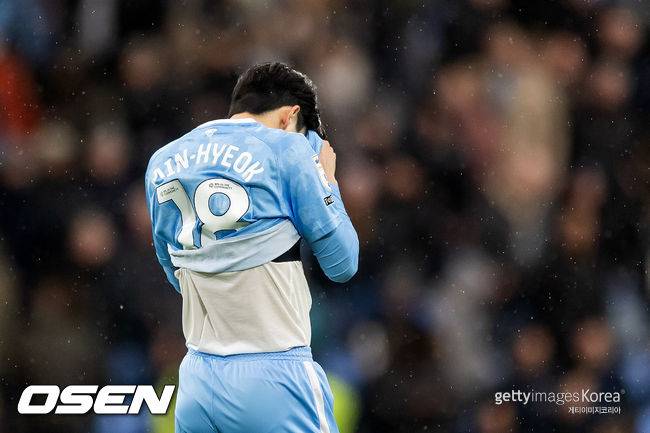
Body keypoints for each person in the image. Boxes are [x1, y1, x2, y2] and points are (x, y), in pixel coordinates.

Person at [144, 62, 359, 433]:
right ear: (291, 116)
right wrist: (327, 180)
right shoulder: (288, 149)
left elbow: (173, 271)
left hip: (197, 379)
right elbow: (343, 264)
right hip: (275, 377)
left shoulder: (162, 160)